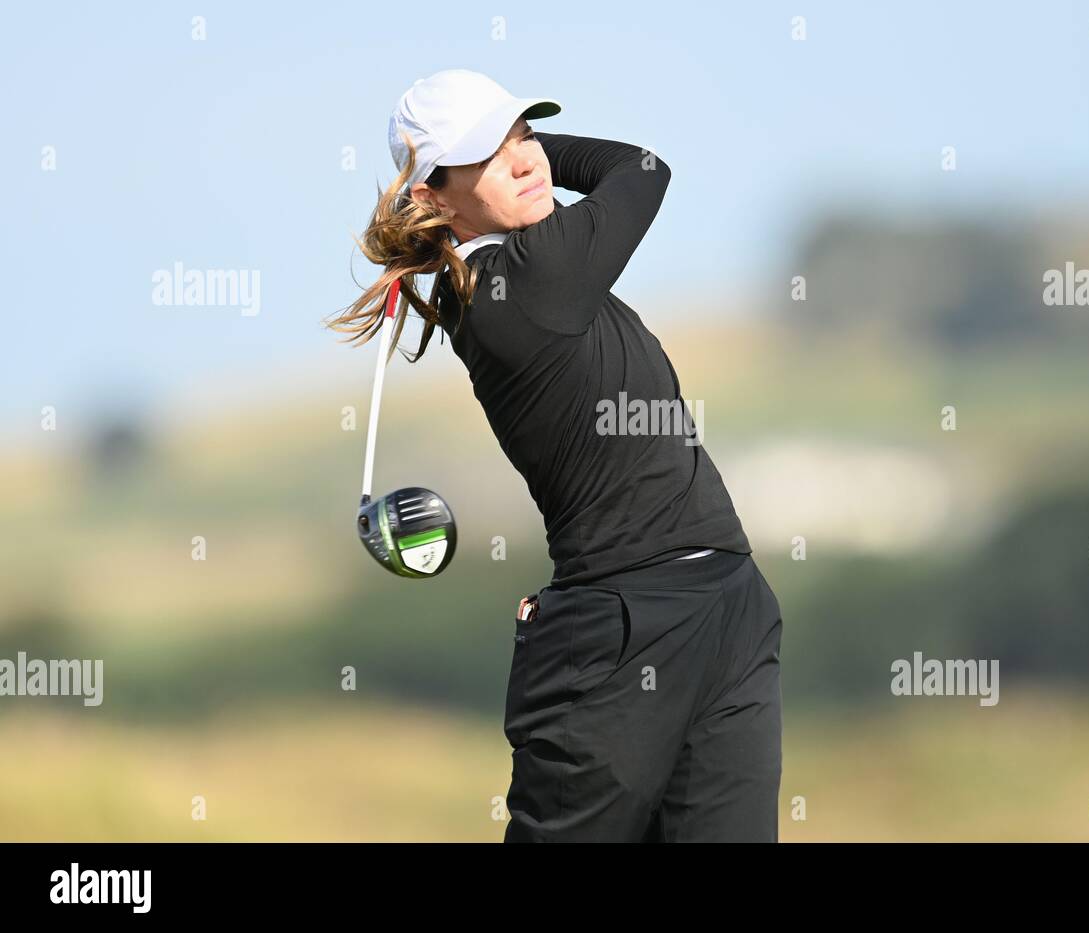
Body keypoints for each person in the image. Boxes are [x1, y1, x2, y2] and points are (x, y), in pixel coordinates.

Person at [326, 69, 783, 842]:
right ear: (433, 194)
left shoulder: (535, 266)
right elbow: (641, 170)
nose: (526, 159)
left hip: (728, 602)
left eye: (526, 134)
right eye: (489, 153)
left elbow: (613, 175)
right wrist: (517, 160)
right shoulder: (524, 284)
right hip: (620, 629)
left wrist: (511, 155)